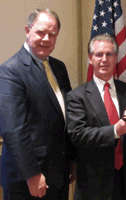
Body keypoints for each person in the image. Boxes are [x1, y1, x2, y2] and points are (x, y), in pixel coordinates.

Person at [0, 8, 75, 200]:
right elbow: (13, 130)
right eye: (41, 32)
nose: (46, 39)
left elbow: (64, 118)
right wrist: (32, 174)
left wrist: (71, 161)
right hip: (27, 179)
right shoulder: (10, 71)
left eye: (52, 34)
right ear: (27, 30)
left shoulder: (59, 67)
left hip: (58, 173)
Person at [66, 34, 126, 200]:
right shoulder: (77, 96)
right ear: (90, 58)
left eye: (109, 54)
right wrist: (114, 131)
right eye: (98, 54)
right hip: (92, 184)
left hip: (125, 180)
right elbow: (78, 135)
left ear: (116, 58)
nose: (104, 59)